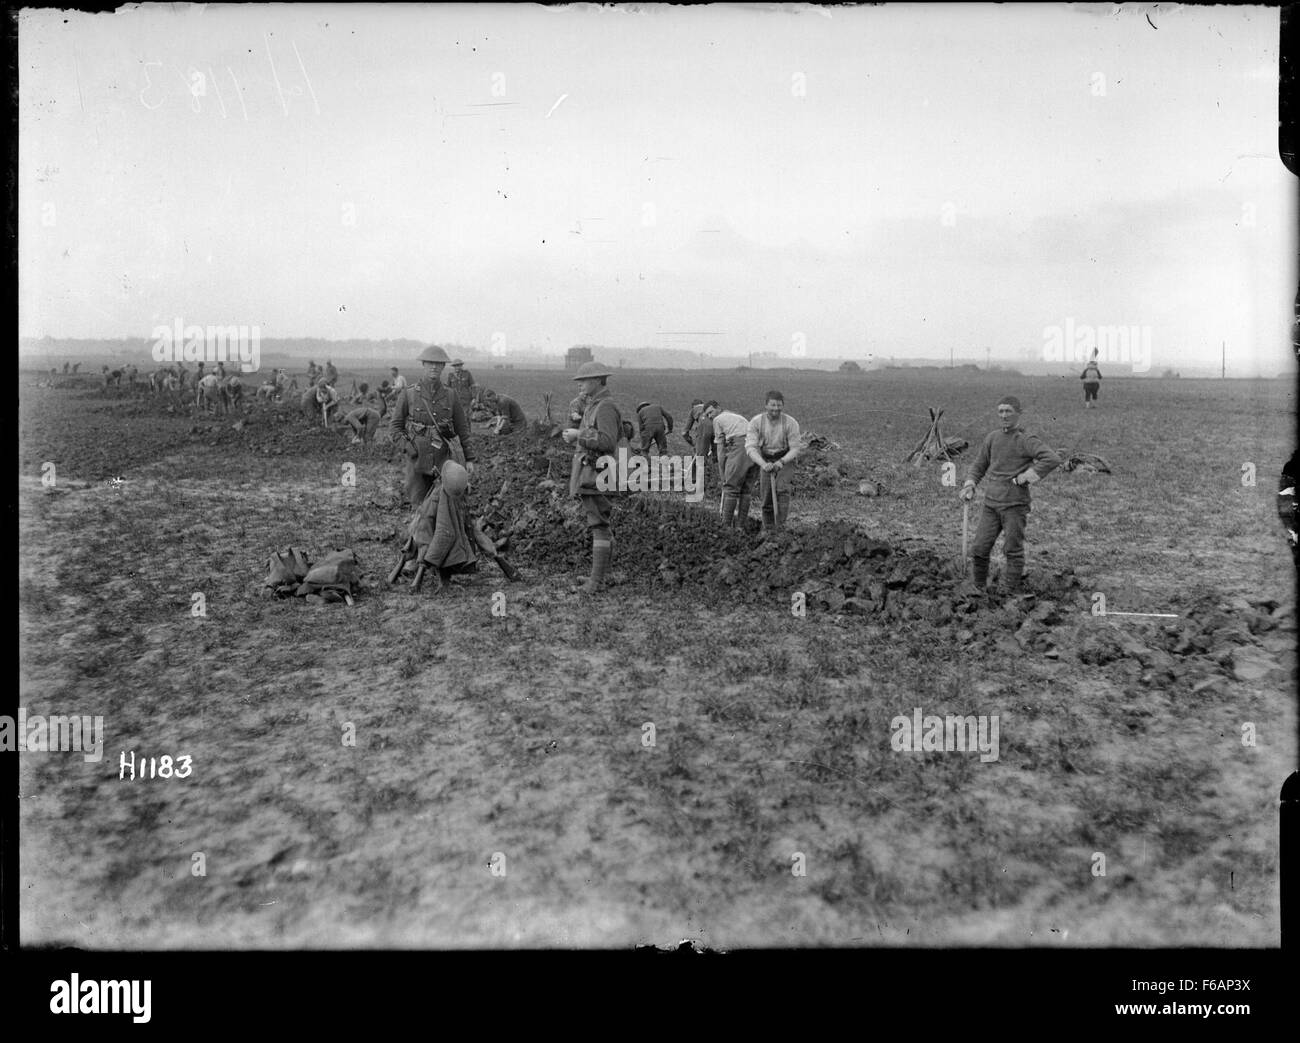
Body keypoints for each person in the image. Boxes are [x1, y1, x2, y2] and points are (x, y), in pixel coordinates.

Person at [960, 395, 1062, 595]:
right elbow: (980, 464)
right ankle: (978, 588)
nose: (1004, 415)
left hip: (1014, 505)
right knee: (980, 548)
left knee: (1012, 549)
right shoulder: (992, 437)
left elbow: (1052, 459)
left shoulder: (1025, 439)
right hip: (991, 504)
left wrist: (1026, 477)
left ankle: (1008, 592)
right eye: (1001, 411)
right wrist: (970, 484)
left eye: (1008, 411)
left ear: (1018, 414)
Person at [389, 344, 476, 506]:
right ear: (423, 364)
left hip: (443, 460)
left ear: (443, 366)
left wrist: (469, 458)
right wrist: (408, 447)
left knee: (446, 505)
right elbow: (395, 428)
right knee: (419, 505)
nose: (434, 367)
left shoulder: (451, 395)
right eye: (430, 363)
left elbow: (462, 429)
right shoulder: (409, 394)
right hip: (416, 461)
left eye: (438, 363)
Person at [562, 361, 622, 593]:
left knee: (599, 525)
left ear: (598, 381)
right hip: (591, 471)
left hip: (598, 472)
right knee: (600, 524)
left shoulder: (605, 406)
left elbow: (607, 440)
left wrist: (579, 435)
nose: (581, 385)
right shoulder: (594, 405)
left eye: (584, 381)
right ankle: (600, 576)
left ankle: (596, 581)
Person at [745, 390, 802, 534]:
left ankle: (780, 527)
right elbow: (751, 448)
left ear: (783, 406)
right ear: (766, 405)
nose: (775, 409)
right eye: (772, 405)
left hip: (785, 458)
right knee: (766, 496)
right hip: (765, 459)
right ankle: (768, 529)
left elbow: (795, 448)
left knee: (782, 488)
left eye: (779, 405)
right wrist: (763, 464)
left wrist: (781, 462)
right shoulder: (756, 422)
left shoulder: (791, 423)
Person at [708, 403, 756, 528]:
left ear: (718, 408)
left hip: (741, 446)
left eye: (710, 412)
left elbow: (720, 451)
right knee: (746, 490)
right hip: (757, 447)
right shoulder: (736, 416)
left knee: (730, 488)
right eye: (707, 415)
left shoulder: (717, 420)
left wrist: (723, 473)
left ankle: (725, 527)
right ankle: (740, 526)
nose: (710, 416)